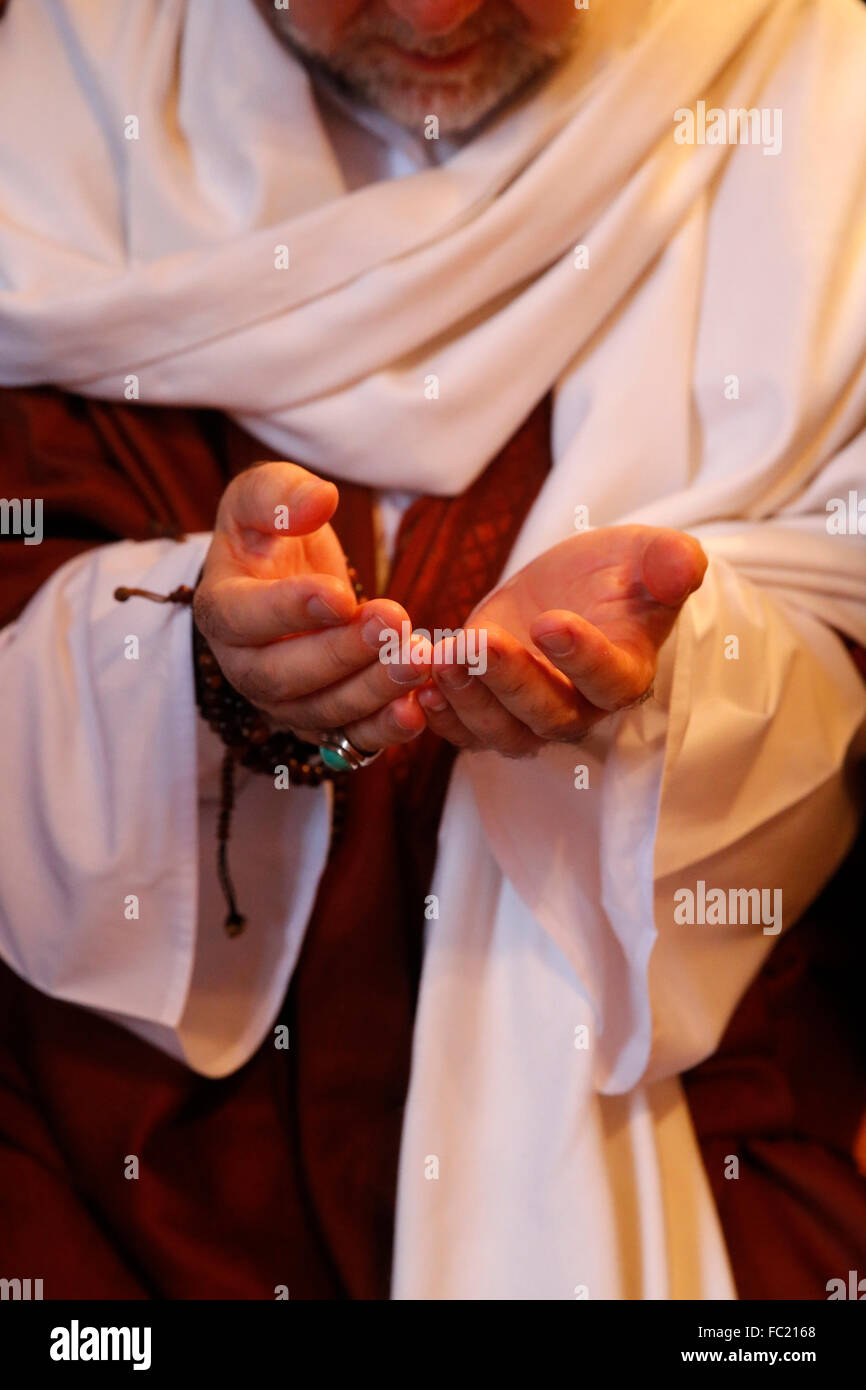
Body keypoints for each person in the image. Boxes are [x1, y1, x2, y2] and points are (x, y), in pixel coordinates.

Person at [0, 0, 865, 1301]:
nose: (434, 13)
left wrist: (687, 671)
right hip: (108, 1174)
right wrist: (189, 659)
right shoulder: (58, 107)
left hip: (710, 1137)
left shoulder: (813, 92)